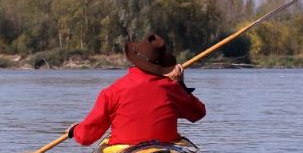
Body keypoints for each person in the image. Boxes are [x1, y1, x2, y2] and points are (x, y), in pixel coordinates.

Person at [67, 33, 205, 147]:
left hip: (124, 152)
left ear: (135, 60)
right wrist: (181, 84)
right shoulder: (172, 88)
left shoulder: (112, 92)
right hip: (165, 150)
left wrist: (75, 130)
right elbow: (198, 113)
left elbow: (86, 137)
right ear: (161, 64)